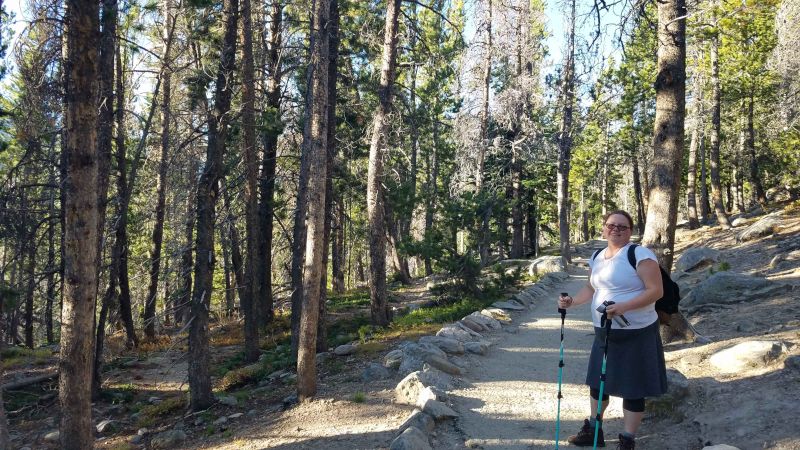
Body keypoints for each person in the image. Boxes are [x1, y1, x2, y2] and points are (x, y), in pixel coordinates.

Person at [558, 210, 667, 450]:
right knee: (597, 383)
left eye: (622, 226)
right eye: (611, 225)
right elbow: (591, 287)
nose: (616, 229)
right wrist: (572, 302)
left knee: (634, 387)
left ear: (630, 231)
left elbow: (656, 291)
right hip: (604, 331)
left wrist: (623, 307)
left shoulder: (640, 255)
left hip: (637, 332)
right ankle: (594, 430)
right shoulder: (597, 256)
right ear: (604, 228)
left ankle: (627, 439)